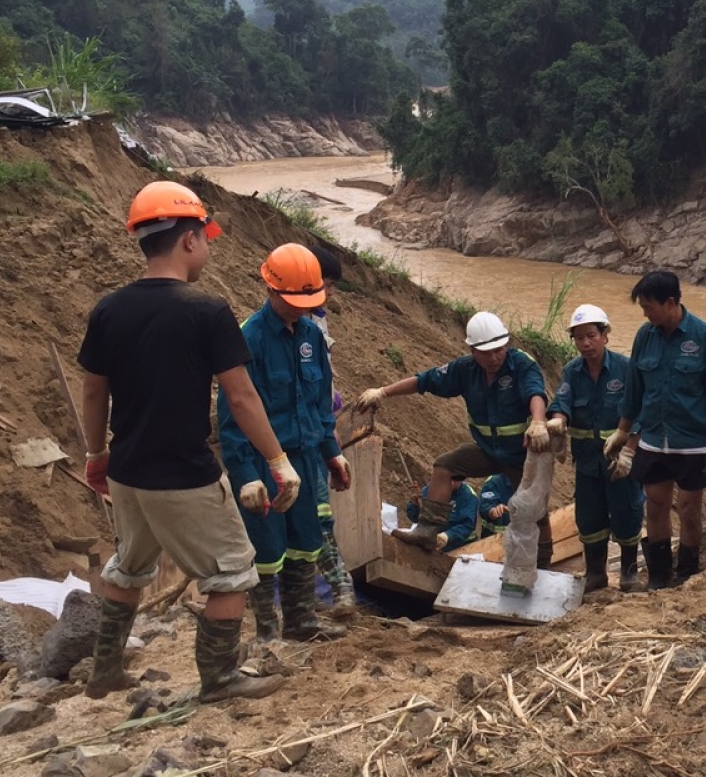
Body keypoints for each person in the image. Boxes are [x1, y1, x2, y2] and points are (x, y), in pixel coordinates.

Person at [78, 181, 289, 703]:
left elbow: (93, 390)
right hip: (184, 473)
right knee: (233, 573)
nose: (209, 249)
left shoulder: (109, 309)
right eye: (206, 238)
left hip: (127, 469)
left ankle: (104, 672)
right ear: (189, 240)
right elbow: (240, 398)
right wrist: (277, 460)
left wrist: (95, 454)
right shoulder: (206, 310)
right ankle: (218, 680)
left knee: (128, 567)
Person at [216, 244, 349, 643]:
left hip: (306, 459)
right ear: (271, 289)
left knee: (306, 542)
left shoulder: (312, 336)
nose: (302, 308)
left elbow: (319, 403)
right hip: (263, 463)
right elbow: (233, 412)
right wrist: (244, 474)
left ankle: (301, 621)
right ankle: (268, 631)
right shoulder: (248, 339)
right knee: (267, 547)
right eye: (295, 300)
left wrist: (332, 453)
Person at [355, 311, 553, 561]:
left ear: (506, 344)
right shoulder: (464, 370)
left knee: (535, 508)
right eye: (486, 352)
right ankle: (427, 531)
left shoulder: (521, 364)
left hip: (520, 453)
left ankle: (545, 556)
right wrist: (383, 392)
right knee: (445, 466)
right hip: (488, 450)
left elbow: (536, 392)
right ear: (472, 350)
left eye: (499, 350)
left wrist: (537, 421)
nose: (493, 358)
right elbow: (423, 381)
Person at [604, 272, 706, 590]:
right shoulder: (644, 337)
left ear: (671, 303)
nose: (645, 313)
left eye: (649, 306)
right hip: (652, 438)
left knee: (690, 509)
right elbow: (635, 390)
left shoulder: (705, 337)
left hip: (692, 441)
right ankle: (660, 576)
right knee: (656, 504)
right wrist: (623, 433)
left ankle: (687, 573)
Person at [545, 304, 644, 593]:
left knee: (627, 514)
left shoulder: (627, 369)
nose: (585, 343)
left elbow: (641, 411)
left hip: (619, 460)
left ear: (605, 336)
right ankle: (595, 574)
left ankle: (629, 574)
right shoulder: (572, 371)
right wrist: (557, 422)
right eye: (579, 338)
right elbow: (562, 401)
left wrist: (630, 452)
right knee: (589, 518)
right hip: (587, 461)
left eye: (591, 336)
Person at [304, 244, 355, 614]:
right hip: (294, 437)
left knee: (319, 512)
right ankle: (330, 592)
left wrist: (331, 405)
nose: (332, 292)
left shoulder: (317, 320)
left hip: (313, 432)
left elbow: (319, 376)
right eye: (327, 283)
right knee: (309, 514)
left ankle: (336, 590)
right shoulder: (266, 330)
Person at [406, 474, 481, 552]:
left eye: (455, 480)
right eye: (449, 479)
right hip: (431, 543)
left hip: (460, 546)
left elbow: (467, 525)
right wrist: (415, 504)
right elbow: (414, 518)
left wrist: (446, 536)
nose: (452, 483)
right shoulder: (431, 489)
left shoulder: (468, 497)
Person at [478, 473, 514, 538]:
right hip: (493, 540)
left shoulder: (531, 483)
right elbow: (485, 506)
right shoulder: (494, 481)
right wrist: (493, 511)